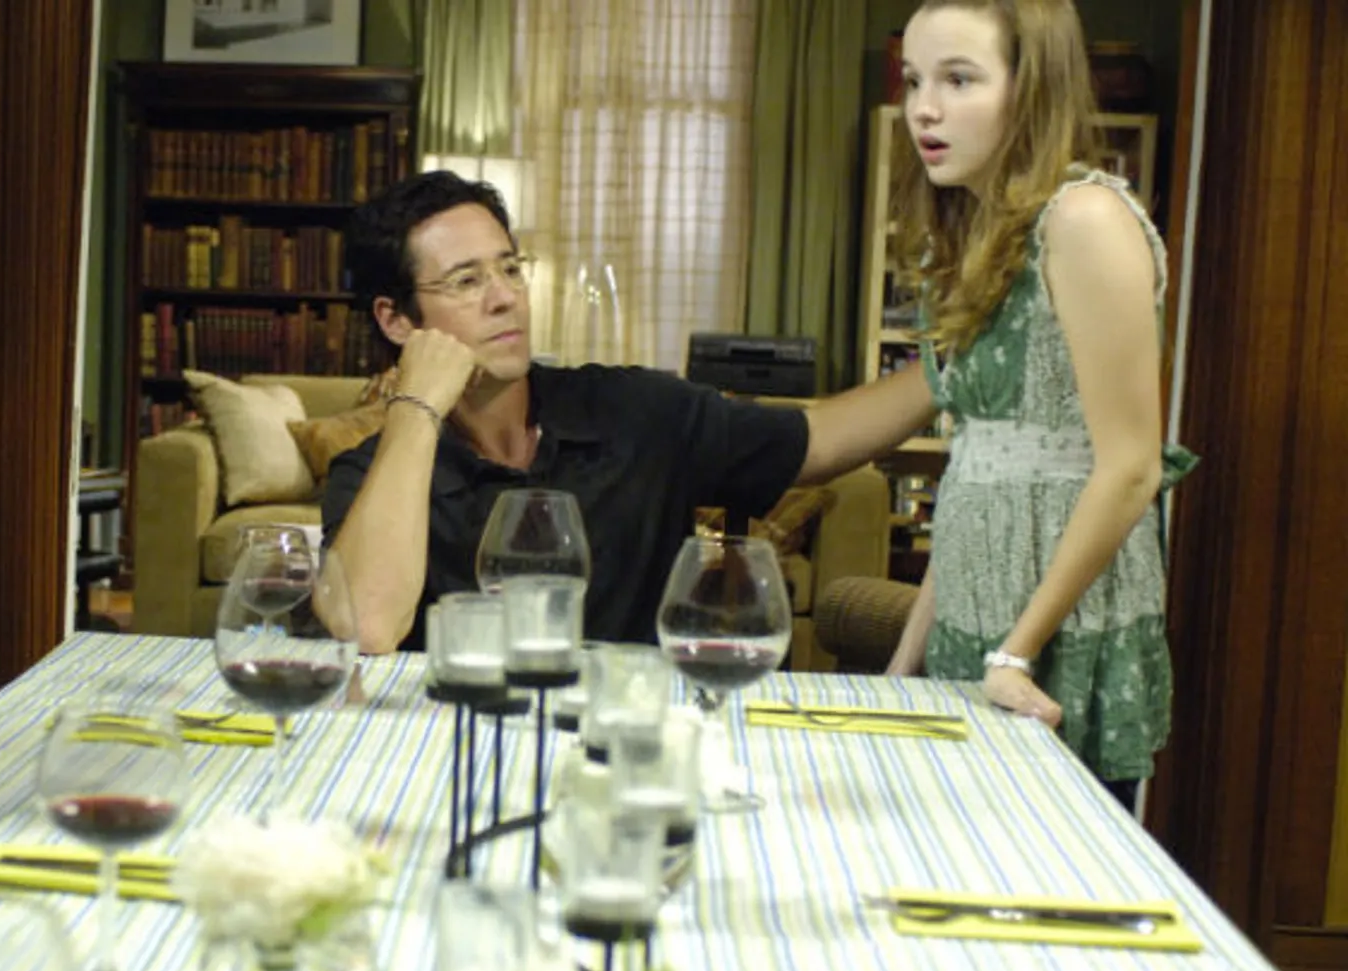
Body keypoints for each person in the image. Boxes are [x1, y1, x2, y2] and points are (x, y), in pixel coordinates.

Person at [321, 170, 939, 654]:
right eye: (465, 281)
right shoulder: (371, 474)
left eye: (509, 268)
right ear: (395, 320)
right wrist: (416, 407)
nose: (505, 297)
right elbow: (369, 626)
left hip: (628, 736)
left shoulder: (634, 411)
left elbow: (821, 438)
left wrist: (959, 367)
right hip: (466, 741)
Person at [882, 0, 1192, 810]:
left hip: (1053, 643)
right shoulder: (974, 235)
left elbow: (1131, 468)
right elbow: (982, 475)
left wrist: (1015, 655)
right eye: (914, 80)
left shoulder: (1085, 220)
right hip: (975, 630)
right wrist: (904, 665)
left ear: (1033, 89)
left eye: (959, 79)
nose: (924, 109)